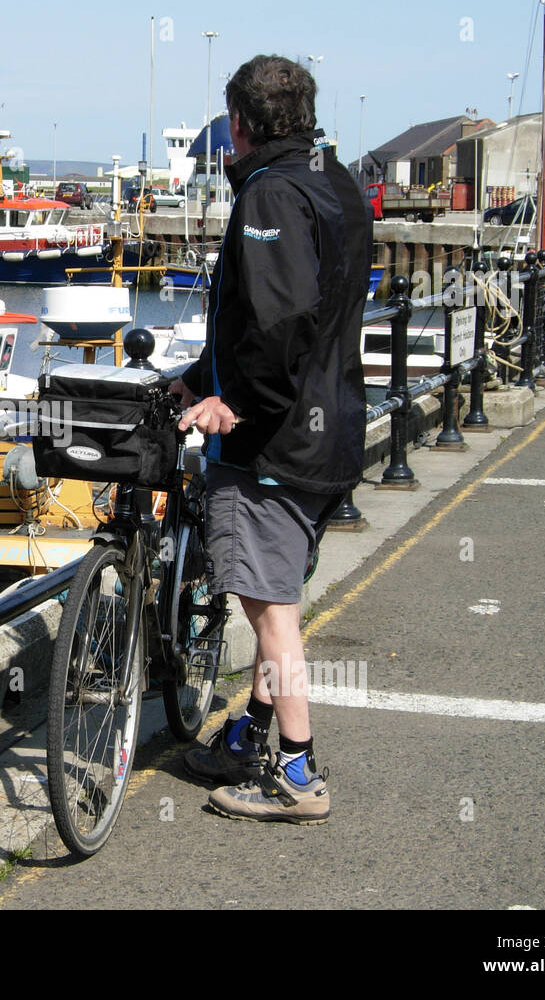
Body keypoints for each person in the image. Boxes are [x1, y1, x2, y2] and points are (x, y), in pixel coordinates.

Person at [170, 54, 372, 824]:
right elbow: (304, 316)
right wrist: (203, 373)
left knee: (271, 613)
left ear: (243, 123)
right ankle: (249, 735)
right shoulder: (335, 179)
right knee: (277, 596)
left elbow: (279, 322)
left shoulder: (270, 190)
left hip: (275, 446)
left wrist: (235, 406)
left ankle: (295, 769)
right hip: (331, 430)